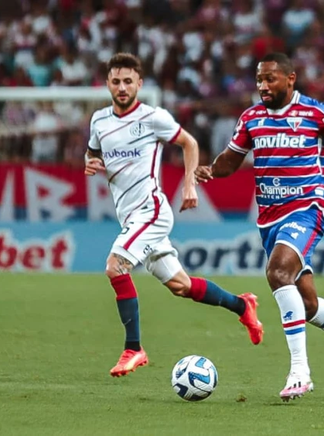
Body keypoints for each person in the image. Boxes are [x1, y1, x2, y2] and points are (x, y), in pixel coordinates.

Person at [195, 52, 324, 401]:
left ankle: (300, 371)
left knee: (278, 273)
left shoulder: (316, 113)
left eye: (270, 79)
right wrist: (209, 170)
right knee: (306, 306)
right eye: (259, 79)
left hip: (308, 207)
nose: (263, 86)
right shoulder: (251, 118)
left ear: (290, 79)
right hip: (270, 217)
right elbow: (231, 160)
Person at [85, 53, 263, 377]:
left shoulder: (154, 117)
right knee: (181, 286)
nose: (122, 87)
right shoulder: (100, 121)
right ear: (107, 84)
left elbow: (190, 143)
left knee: (115, 266)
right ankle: (243, 305)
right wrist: (90, 161)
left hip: (151, 210)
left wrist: (189, 185)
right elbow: (93, 150)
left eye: (128, 81)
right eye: (116, 81)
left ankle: (134, 349)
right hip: (130, 217)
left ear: (139, 83)